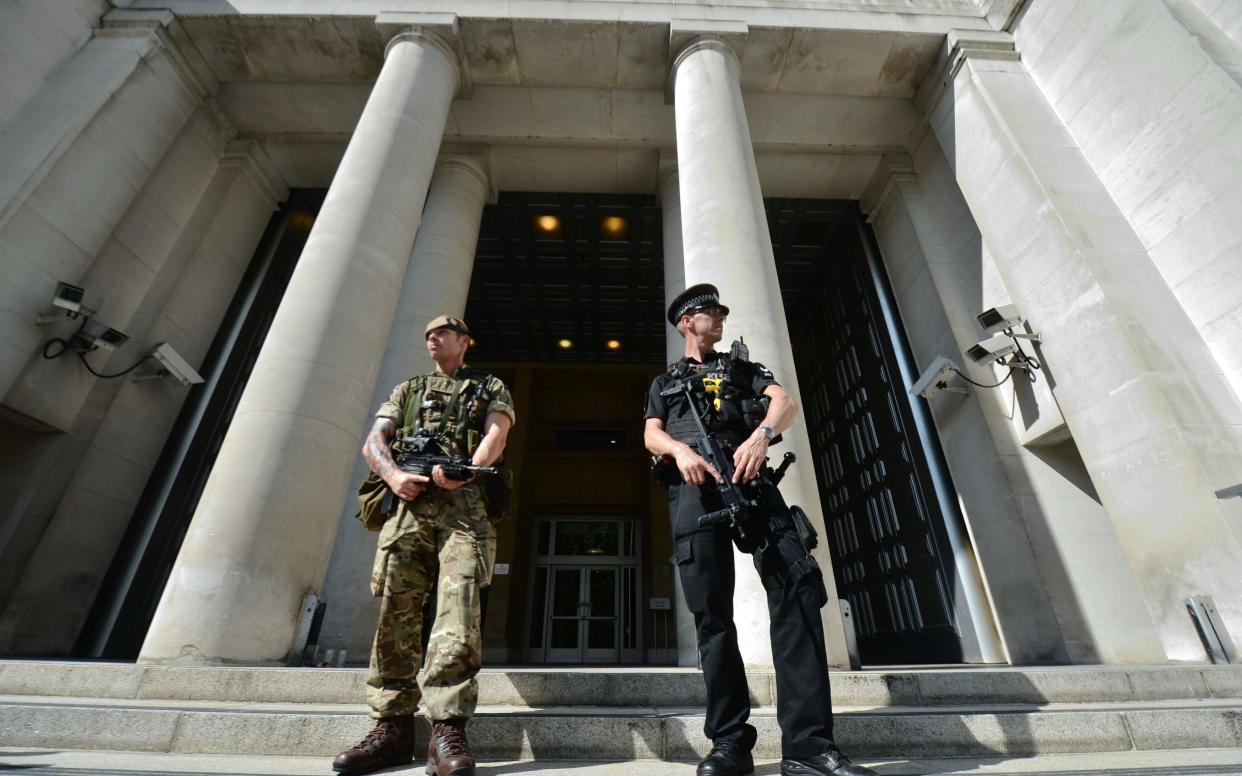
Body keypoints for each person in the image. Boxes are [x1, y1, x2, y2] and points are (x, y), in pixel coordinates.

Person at [644, 284, 876, 776]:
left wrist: (761, 434)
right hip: (694, 490)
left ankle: (809, 746)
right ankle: (729, 743)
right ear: (687, 321)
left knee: (798, 589)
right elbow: (651, 432)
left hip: (752, 483)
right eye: (711, 312)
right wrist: (680, 451)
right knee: (712, 616)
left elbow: (784, 403)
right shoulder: (664, 383)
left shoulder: (745, 371)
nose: (721, 317)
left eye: (723, 311)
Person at [334, 315, 515, 776]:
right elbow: (376, 439)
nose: (432, 338)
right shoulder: (407, 389)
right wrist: (393, 476)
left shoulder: (489, 384)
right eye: (428, 334)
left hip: (465, 508)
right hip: (409, 506)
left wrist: (468, 469)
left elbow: (498, 432)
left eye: (442, 332)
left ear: (464, 341)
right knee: (396, 610)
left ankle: (447, 728)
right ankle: (392, 728)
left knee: (459, 612)